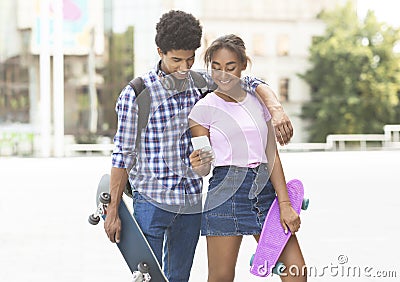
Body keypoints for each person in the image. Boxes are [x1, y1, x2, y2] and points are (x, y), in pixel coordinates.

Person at [104, 10, 294, 282]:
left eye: (190, 59)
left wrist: (275, 109)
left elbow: (249, 81)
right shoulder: (136, 93)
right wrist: (113, 211)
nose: (183, 67)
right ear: (160, 51)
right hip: (151, 202)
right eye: (176, 60)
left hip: (191, 203)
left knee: (179, 277)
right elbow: (123, 155)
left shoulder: (199, 81)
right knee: (146, 278)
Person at [188, 34, 306, 282]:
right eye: (216, 68)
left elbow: (271, 155)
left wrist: (284, 204)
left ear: (244, 65)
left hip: (265, 192)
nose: (223, 75)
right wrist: (198, 164)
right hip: (225, 195)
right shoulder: (202, 109)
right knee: (221, 278)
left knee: (297, 272)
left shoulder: (258, 102)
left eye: (230, 67)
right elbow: (204, 167)